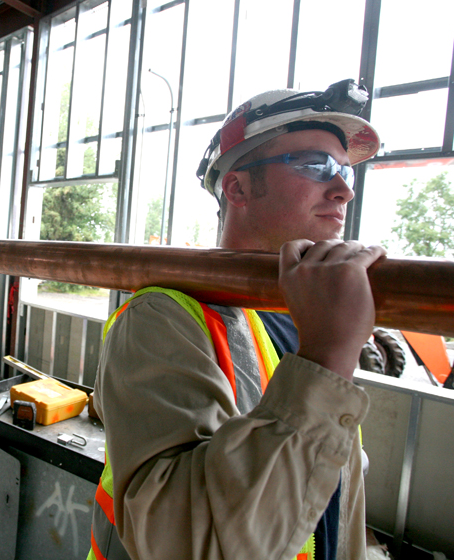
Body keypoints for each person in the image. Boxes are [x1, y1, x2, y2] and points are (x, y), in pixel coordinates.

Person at [87, 79, 385, 560]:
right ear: (238, 187)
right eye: (316, 165)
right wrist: (328, 360)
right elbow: (187, 543)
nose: (343, 190)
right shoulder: (163, 318)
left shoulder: (300, 317)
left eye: (346, 172)